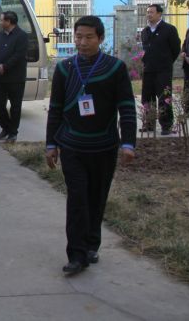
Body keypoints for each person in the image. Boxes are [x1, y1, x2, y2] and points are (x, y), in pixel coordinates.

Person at [46, 15, 137, 276]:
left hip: (104, 146)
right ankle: (76, 255)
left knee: (96, 198)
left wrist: (128, 143)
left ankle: (91, 245)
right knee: (77, 199)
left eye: (88, 37)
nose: (82, 42)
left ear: (100, 38)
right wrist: (51, 144)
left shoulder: (115, 68)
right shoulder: (64, 69)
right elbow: (55, 108)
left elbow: (126, 107)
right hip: (72, 146)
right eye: (78, 37)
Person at [140, 4, 181, 135]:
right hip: (148, 69)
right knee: (147, 98)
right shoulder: (145, 31)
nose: (149, 15)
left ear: (159, 14)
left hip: (163, 70)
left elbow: (176, 49)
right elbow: (145, 49)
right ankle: (149, 123)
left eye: (151, 12)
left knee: (164, 97)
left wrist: (166, 61)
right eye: (147, 12)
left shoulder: (169, 29)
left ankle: (166, 125)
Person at [0, 11, 28, 143]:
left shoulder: (22, 36)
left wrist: (5, 66)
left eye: (2, 20)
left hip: (15, 78)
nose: (0, 22)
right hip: (0, 78)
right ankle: (6, 128)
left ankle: (13, 132)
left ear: (9, 22)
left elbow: (19, 55)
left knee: (15, 107)